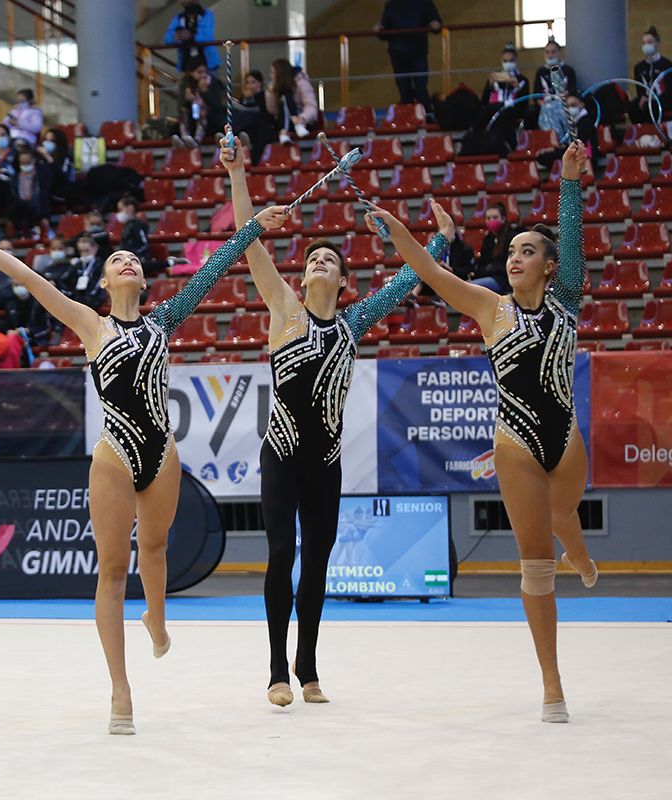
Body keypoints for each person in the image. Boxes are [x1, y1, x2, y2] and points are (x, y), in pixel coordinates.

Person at [0, 198, 281, 734]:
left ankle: (158, 621)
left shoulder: (163, 321)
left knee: (158, 548)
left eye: (133, 261)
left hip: (161, 450)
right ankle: (121, 691)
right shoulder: (91, 326)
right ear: (104, 283)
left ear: (142, 281)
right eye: (116, 261)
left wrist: (254, 226)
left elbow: (214, 268)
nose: (127, 264)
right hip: (115, 453)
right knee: (113, 571)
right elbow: (29, 276)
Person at [365, 140, 596, 724]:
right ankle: (553, 684)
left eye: (527, 252)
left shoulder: (567, 299)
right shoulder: (490, 308)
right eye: (511, 251)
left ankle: (583, 553)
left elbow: (573, 238)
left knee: (565, 513)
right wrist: (399, 231)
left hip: (565, 437)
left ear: (549, 265)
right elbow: (430, 272)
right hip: (514, 442)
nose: (514, 258)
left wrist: (570, 185)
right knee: (536, 560)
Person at [219, 136, 451, 708]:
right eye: (313, 260)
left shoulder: (352, 324)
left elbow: (407, 281)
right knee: (280, 554)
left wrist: (437, 238)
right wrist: (239, 175)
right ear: (300, 279)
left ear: (345, 283)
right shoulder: (284, 309)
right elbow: (249, 246)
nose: (320, 264)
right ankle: (277, 670)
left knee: (318, 561)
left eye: (331, 261)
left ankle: (310, 668)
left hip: (325, 463)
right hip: (282, 455)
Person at [373, 0, 442, 114]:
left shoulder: (424, 3)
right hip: (398, 52)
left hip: (417, 51)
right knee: (404, 88)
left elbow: (437, 23)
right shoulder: (391, 5)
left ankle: (427, 117)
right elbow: (385, 31)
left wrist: (436, 25)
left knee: (421, 87)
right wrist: (379, 31)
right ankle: (408, 118)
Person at [452, 202, 515, 293]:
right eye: (488, 218)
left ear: (503, 219)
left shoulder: (511, 237)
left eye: (495, 217)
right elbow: (482, 262)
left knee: (470, 287)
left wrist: (488, 269)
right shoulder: (488, 239)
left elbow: (504, 265)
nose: (491, 221)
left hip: (504, 280)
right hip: (488, 276)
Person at [534, 40, 578, 138]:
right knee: (548, 109)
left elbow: (572, 91)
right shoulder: (541, 72)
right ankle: (554, 141)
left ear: (560, 53)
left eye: (553, 52)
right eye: (547, 52)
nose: (550, 55)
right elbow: (536, 95)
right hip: (546, 105)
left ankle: (564, 140)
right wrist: (543, 104)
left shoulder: (568, 70)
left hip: (564, 104)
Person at [163, 1, 219, 74]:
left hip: (207, 63)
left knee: (209, 84)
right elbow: (167, 39)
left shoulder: (207, 15)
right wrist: (176, 36)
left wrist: (190, 36)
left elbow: (207, 36)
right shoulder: (178, 18)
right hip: (187, 64)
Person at [632, 26, 672, 124]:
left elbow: (669, 91)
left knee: (649, 106)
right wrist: (642, 98)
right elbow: (639, 89)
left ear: (657, 43)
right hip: (646, 99)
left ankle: (653, 132)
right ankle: (639, 132)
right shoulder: (639, 67)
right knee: (632, 106)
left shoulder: (667, 64)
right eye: (644, 43)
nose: (646, 45)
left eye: (649, 42)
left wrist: (652, 99)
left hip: (663, 100)